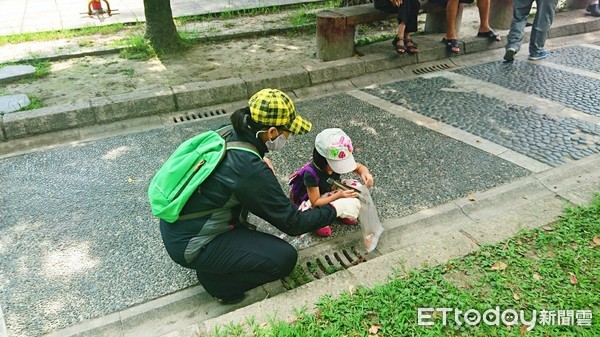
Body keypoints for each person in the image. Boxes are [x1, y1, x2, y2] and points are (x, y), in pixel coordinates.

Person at [158, 89, 361, 305]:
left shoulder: (229, 132)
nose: (288, 137)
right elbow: (293, 223)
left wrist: (258, 163)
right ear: (272, 132)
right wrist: (336, 209)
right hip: (194, 244)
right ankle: (217, 283)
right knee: (284, 259)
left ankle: (220, 259)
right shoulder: (248, 169)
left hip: (178, 225)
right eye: (286, 132)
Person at [293, 128, 374, 237]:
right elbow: (315, 201)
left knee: (355, 188)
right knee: (310, 212)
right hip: (317, 198)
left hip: (332, 189)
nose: (340, 168)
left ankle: (341, 211)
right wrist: (338, 195)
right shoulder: (311, 174)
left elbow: (359, 167)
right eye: (337, 165)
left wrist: (365, 173)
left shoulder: (332, 164)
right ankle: (321, 221)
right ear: (322, 160)